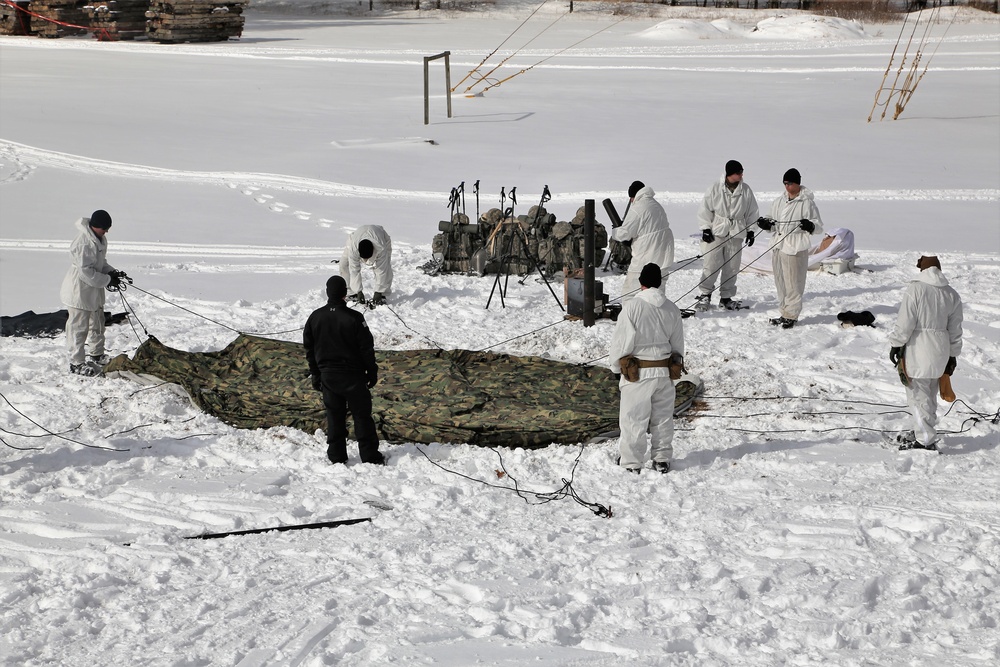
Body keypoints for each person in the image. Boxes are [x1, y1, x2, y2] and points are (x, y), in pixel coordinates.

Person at [608, 263, 684, 474]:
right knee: (663, 418)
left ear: (641, 282)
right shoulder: (671, 308)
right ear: (659, 283)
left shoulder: (632, 307)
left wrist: (616, 368)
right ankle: (661, 459)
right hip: (664, 372)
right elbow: (678, 346)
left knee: (633, 419)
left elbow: (621, 343)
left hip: (637, 374)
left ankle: (632, 462)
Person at [304, 275, 386, 466]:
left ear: (328, 293)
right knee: (362, 417)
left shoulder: (315, 317)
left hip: (328, 377)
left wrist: (316, 373)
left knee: (334, 416)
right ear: (344, 294)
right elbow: (366, 348)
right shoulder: (355, 318)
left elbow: (309, 349)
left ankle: (336, 456)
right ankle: (369, 456)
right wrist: (371, 372)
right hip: (353, 377)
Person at [887, 255, 963, 451]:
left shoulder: (916, 289)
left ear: (923, 270)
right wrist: (952, 355)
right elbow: (955, 330)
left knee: (917, 397)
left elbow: (905, 322)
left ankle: (924, 440)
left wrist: (896, 343)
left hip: (917, 351)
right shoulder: (952, 294)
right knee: (929, 395)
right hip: (940, 352)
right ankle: (924, 430)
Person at [59, 210, 128, 376]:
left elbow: (100, 263)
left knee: (97, 322)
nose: (106, 232)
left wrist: (113, 273)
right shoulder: (83, 243)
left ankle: (97, 354)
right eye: (104, 229)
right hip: (79, 291)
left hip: (93, 289)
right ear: (94, 226)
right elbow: (86, 273)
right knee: (78, 327)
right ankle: (76, 363)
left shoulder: (100, 238)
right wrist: (107, 280)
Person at [756, 168, 823, 329]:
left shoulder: (807, 203)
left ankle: (792, 315)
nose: (787, 186)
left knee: (794, 282)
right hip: (778, 245)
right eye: (785, 183)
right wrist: (765, 223)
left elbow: (819, 226)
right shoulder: (779, 201)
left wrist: (810, 226)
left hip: (795, 247)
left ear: (797, 183)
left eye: (790, 183)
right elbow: (771, 218)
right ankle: (784, 313)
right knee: (781, 281)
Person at [694, 160, 760, 311]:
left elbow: (752, 212)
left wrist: (750, 230)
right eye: (739, 172)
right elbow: (705, 210)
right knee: (711, 264)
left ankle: (726, 297)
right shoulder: (715, 188)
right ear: (730, 174)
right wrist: (705, 228)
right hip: (717, 231)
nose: (741, 175)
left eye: (742, 172)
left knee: (732, 266)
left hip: (736, 232)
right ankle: (705, 295)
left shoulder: (746, 190)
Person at [611, 181, 675, 298]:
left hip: (645, 259)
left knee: (630, 294)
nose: (631, 201)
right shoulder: (656, 205)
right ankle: (656, 315)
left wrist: (615, 231)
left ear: (633, 196)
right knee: (656, 295)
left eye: (631, 198)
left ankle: (632, 315)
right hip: (663, 259)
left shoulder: (638, 208)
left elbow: (624, 233)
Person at [339, 225, 393, 306]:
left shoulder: (381, 248)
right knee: (344, 264)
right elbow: (354, 270)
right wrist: (358, 291)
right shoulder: (354, 249)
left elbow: (382, 269)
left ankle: (382, 294)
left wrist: (378, 291)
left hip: (381, 237)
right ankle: (352, 293)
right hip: (356, 237)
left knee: (386, 267)